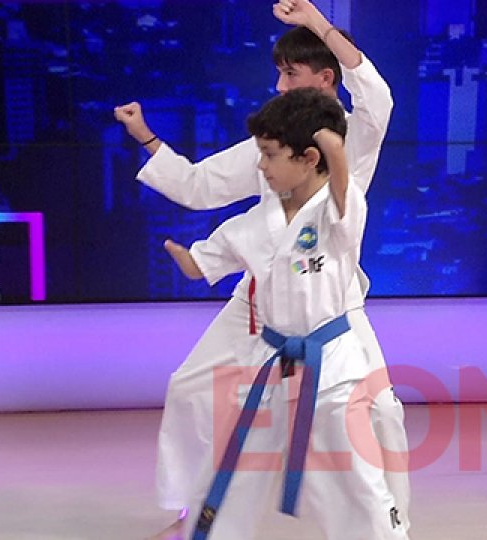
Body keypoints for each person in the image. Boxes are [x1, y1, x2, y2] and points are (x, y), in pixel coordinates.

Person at [113, 1, 410, 536]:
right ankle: (194, 508)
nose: (278, 85)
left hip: (332, 299)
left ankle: (393, 523)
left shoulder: (353, 134)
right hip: (263, 292)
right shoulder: (272, 139)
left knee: (383, 411)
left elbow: (377, 95)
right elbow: (200, 185)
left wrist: (316, 21)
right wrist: (146, 137)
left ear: (325, 78)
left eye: (290, 73)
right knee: (188, 387)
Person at [164, 87, 408, 540]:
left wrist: (337, 150)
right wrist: (189, 261)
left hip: (333, 369)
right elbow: (207, 261)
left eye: (270, 155)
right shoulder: (255, 223)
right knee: (232, 465)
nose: (261, 166)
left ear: (309, 158)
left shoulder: (336, 213)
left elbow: (343, 193)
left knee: (355, 478)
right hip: (268, 363)